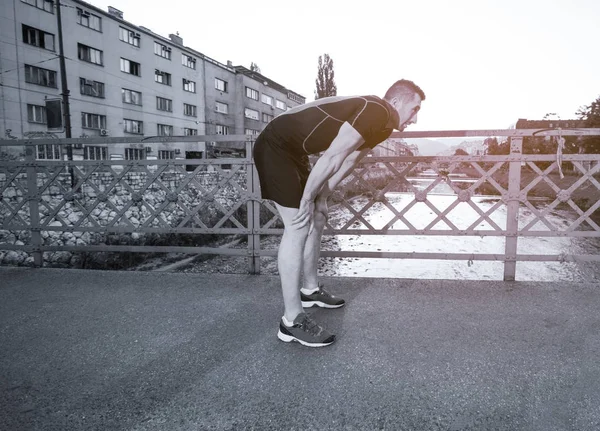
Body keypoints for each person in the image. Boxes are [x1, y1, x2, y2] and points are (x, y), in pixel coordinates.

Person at [253, 79, 425, 347]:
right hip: (274, 146)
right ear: (397, 102)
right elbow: (332, 157)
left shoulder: (383, 127)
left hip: (294, 151)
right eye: (414, 109)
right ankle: (291, 321)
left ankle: (309, 290)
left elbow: (348, 159)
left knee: (318, 216)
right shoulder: (377, 110)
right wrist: (308, 197)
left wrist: (322, 196)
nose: (415, 119)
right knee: (297, 225)